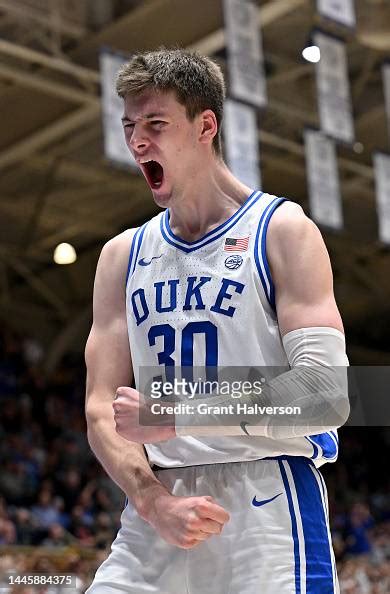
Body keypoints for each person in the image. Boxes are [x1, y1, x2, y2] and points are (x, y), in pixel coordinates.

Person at [85, 48, 349, 594]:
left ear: (206, 125)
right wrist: (153, 502)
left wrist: (182, 410)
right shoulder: (120, 256)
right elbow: (100, 406)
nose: (137, 141)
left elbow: (326, 396)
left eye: (156, 124)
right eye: (130, 126)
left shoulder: (283, 231)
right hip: (158, 505)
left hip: (267, 502)